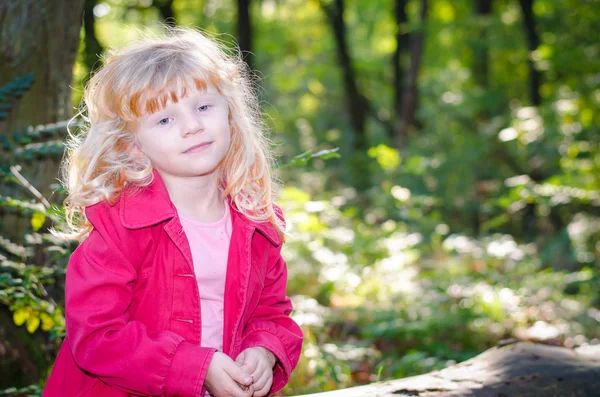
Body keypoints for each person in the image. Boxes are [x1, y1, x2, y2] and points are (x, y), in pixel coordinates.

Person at [43, 27, 303, 397]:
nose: (192, 126)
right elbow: (97, 336)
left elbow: (272, 312)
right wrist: (196, 367)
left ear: (229, 113)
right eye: (165, 120)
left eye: (202, 107)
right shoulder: (119, 227)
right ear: (132, 146)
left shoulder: (256, 221)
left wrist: (264, 350)